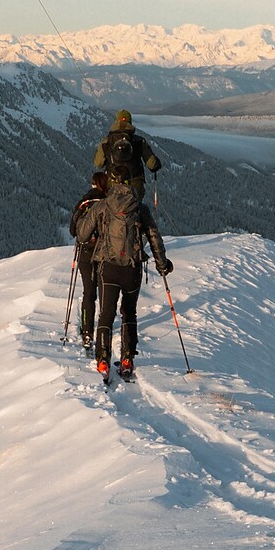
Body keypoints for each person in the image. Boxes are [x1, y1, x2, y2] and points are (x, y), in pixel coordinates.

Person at [72, 179, 173, 381]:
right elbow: (154, 236)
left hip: (107, 268)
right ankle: (127, 360)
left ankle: (102, 360)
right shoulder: (140, 208)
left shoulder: (102, 205)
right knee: (129, 313)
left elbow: (82, 234)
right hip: (131, 269)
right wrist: (162, 264)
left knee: (106, 315)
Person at [70, 171, 109, 348]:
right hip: (105, 252)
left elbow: (73, 230)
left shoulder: (83, 203)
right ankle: (103, 328)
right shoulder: (109, 203)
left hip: (86, 252)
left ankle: (87, 331)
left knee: (89, 292)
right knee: (104, 292)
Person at [93, 109, 161, 199]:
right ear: (130, 122)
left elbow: (98, 164)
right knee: (135, 208)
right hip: (135, 185)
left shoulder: (106, 141)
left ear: (117, 121)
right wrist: (157, 164)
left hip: (112, 184)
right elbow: (152, 164)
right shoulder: (139, 141)